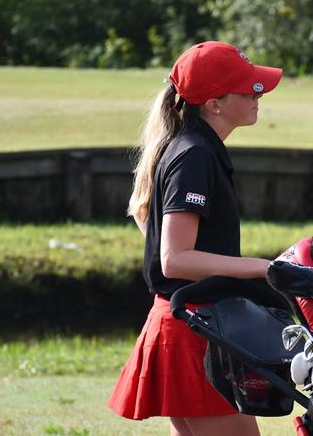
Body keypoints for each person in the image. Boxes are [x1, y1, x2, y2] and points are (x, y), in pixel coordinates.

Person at [107, 41, 282, 436]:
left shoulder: (194, 147)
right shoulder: (195, 154)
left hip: (190, 320)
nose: (259, 95)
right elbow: (175, 258)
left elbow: (151, 225)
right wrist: (266, 268)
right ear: (214, 104)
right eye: (247, 89)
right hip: (195, 328)